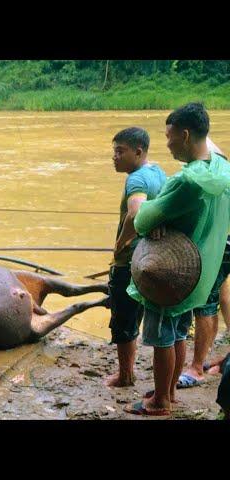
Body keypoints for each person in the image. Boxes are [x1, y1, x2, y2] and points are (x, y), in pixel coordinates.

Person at [124, 103, 230, 416]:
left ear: (185, 136)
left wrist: (154, 216)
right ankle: (168, 390)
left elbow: (142, 220)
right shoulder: (221, 167)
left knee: (162, 338)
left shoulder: (187, 182)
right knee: (180, 330)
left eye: (169, 137)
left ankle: (160, 402)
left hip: (171, 272)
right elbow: (212, 145)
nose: (167, 144)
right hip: (200, 272)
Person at [105, 127, 166, 388]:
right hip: (152, 259)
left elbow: (135, 211)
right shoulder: (158, 172)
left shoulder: (137, 179)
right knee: (146, 318)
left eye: (120, 151)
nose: (114, 157)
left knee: (123, 320)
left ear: (138, 152)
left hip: (130, 261)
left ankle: (126, 376)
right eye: (114, 151)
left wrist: (121, 243)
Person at [178, 139, 230, 387]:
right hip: (222, 241)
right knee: (222, 294)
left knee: (206, 304)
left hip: (220, 244)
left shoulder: (210, 169)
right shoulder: (219, 167)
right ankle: (224, 358)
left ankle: (197, 367)